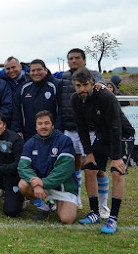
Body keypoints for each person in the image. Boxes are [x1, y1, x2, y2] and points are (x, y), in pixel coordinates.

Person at [72, 68, 133, 234]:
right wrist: (89, 152)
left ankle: (113, 218)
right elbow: (81, 128)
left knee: (116, 172)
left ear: (92, 83)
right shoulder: (75, 100)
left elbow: (115, 126)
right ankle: (94, 213)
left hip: (121, 135)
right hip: (102, 136)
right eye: (78, 85)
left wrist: (116, 157)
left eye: (85, 85)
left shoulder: (106, 96)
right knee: (90, 170)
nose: (82, 89)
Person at [57, 48, 107, 213]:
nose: (73, 61)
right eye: (70, 58)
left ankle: (103, 205)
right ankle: (76, 200)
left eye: (77, 58)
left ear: (84, 60)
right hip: (70, 129)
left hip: (92, 131)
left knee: (97, 169)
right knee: (75, 166)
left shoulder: (94, 75)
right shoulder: (63, 77)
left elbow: (101, 84)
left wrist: (102, 85)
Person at [18, 111, 78, 224]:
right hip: (41, 186)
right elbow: (23, 168)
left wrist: (42, 183)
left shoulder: (64, 141)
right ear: (36, 127)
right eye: (40, 124)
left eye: (47, 123)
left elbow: (64, 170)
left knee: (67, 219)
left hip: (63, 188)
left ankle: (58, 203)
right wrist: (36, 184)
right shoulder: (30, 143)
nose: (43, 126)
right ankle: (45, 205)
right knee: (22, 185)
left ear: (53, 125)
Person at [11, 59, 61, 141]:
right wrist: (18, 130)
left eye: (39, 70)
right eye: (33, 70)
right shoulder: (24, 88)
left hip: (52, 134)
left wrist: (58, 129)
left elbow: (60, 110)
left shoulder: (55, 86)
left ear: (45, 70)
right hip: (29, 135)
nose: (36, 73)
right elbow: (17, 111)